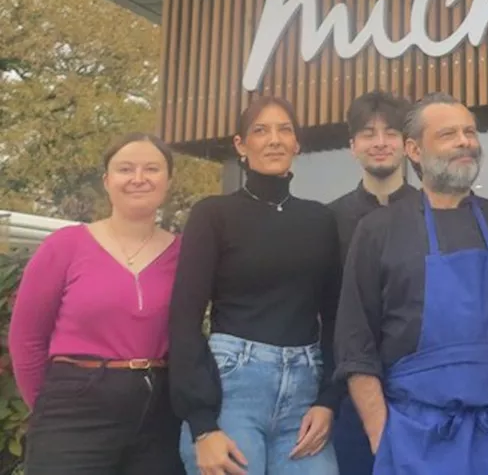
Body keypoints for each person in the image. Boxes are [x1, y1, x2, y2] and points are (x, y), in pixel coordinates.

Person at [334, 92, 488, 475]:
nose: (465, 141)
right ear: (414, 150)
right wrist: (382, 434)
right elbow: (356, 344)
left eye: (470, 131)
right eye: (449, 134)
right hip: (415, 441)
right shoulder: (377, 231)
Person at [170, 96, 343, 475]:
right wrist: (202, 426)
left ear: (297, 144)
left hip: (304, 394)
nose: (274, 140)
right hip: (233, 389)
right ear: (240, 145)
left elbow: (334, 317)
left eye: (285, 130)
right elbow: (184, 321)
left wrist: (329, 399)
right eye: (260, 130)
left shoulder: (320, 220)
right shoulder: (213, 215)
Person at [10, 133, 184, 475]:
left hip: (158, 413)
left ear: (168, 180)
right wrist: (48, 406)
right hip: (74, 409)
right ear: (107, 180)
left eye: (151, 168)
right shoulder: (65, 246)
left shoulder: (187, 253)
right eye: (125, 169)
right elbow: (26, 338)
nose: (138, 178)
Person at [327, 91, 414, 475]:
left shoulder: (431, 211)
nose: (380, 143)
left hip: (420, 388)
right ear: (352, 147)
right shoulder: (328, 221)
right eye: (367, 134)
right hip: (348, 394)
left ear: (408, 144)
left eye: (390, 133)